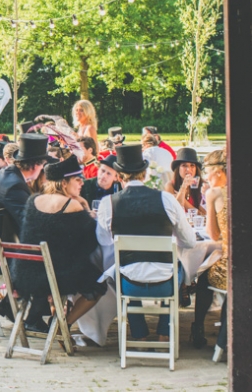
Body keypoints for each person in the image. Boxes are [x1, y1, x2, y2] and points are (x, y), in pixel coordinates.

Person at [95, 144, 195, 343]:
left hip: (129, 285)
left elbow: (103, 241)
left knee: (123, 267)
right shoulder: (166, 200)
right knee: (180, 268)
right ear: (145, 173)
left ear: (120, 176)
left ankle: (139, 334)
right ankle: (164, 333)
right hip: (166, 284)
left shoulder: (109, 204)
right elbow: (190, 242)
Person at [14, 154, 106, 332]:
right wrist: (86, 209)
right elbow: (91, 243)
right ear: (64, 183)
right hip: (55, 277)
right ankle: (64, 325)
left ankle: (57, 317)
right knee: (98, 283)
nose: (82, 184)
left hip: (26, 275)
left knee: (71, 269)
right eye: (78, 180)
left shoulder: (33, 200)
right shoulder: (72, 205)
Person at [190, 149, 228, 348]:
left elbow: (212, 234)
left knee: (203, 277)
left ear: (219, 172)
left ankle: (198, 327)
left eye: (207, 172)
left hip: (230, 267)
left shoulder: (215, 193)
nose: (205, 178)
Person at [0, 134, 56, 227]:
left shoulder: (6, 175)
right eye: (42, 166)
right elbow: (29, 224)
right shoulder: (14, 185)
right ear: (35, 166)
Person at [164, 147, 205, 215]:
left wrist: (183, 199)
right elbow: (175, 210)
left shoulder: (203, 184)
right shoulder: (170, 185)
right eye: (184, 165)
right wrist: (183, 188)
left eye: (192, 165)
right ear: (178, 168)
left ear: (196, 168)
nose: (188, 169)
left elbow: (204, 214)